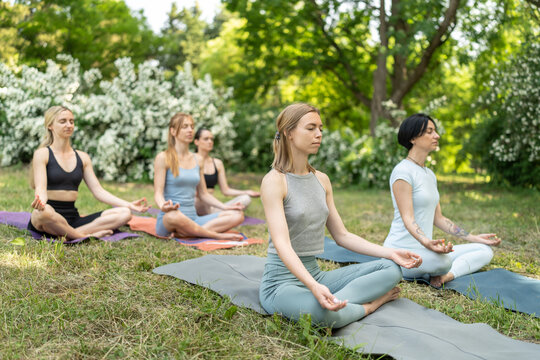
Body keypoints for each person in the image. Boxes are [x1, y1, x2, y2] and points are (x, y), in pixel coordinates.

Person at [259, 103, 422, 328]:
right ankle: (368, 306)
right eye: (311, 128)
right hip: (281, 284)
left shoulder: (322, 180)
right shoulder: (274, 181)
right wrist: (313, 287)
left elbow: (342, 235)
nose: (319, 134)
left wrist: (392, 253)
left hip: (316, 275)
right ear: (289, 133)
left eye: (321, 128)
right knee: (323, 316)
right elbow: (282, 244)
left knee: (391, 269)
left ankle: (336, 303)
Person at [384, 113, 501, 287]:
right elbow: (408, 218)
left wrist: (474, 237)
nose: (436, 136)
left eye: (435, 131)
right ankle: (436, 269)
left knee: (484, 251)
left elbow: (439, 218)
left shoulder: (429, 174)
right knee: (443, 262)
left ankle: (445, 277)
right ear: (413, 137)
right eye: (430, 131)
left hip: (425, 250)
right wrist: (427, 243)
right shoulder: (402, 172)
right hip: (401, 253)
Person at [28, 106, 149, 240]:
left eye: (71, 121)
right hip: (50, 214)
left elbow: (98, 191)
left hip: (73, 219)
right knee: (41, 214)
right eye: (63, 121)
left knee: (125, 213)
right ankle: (82, 236)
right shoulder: (42, 154)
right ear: (50, 125)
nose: (69, 125)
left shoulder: (83, 157)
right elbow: (41, 188)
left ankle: (68, 234)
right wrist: (41, 202)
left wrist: (129, 204)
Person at [153, 112, 245, 241]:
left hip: (194, 218)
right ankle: (216, 235)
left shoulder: (198, 159)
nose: (190, 130)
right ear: (173, 131)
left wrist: (225, 207)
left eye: (191, 126)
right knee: (173, 216)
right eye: (185, 126)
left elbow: (203, 194)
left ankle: (188, 233)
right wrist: (163, 206)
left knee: (237, 215)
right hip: (171, 218)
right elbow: (158, 193)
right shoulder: (163, 157)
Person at [193, 128, 260, 215]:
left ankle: (219, 216)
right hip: (197, 204)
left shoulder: (217, 163)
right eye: (206, 139)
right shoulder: (191, 160)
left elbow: (226, 190)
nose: (210, 141)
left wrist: (246, 192)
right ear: (196, 142)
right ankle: (224, 216)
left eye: (211, 139)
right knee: (202, 201)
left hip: (213, 206)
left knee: (245, 198)